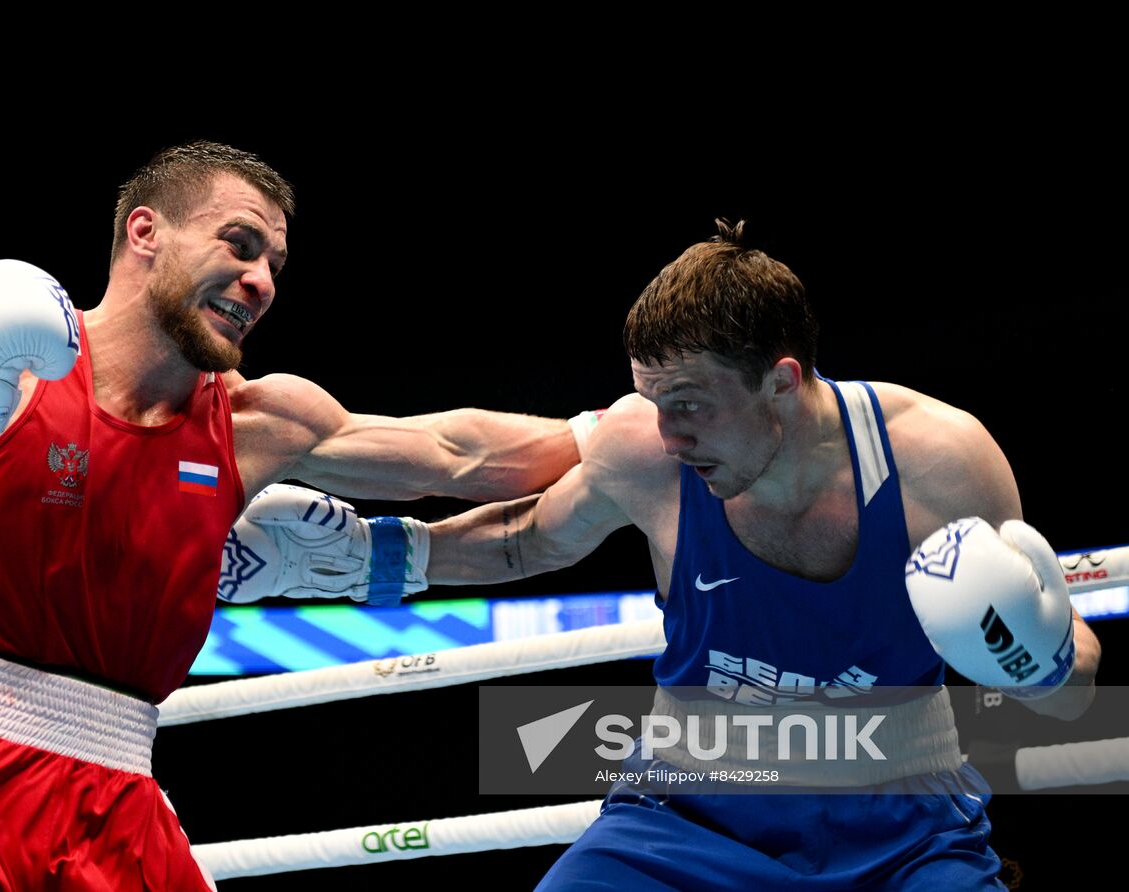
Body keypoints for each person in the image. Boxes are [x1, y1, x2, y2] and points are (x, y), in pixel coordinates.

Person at [0, 141, 583, 892]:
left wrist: (615, 433)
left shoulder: (259, 422)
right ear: (145, 231)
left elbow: (452, 452)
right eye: (239, 243)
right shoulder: (11, 361)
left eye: (273, 263)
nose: (262, 279)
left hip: (116, 785)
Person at [240, 220, 1102, 889]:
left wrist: (1044, 663)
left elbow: (1070, 689)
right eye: (652, 400)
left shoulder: (939, 464)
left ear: (782, 381)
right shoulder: (647, 453)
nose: (665, 433)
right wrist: (364, 558)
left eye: (687, 404)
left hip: (904, 832)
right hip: (689, 820)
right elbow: (520, 545)